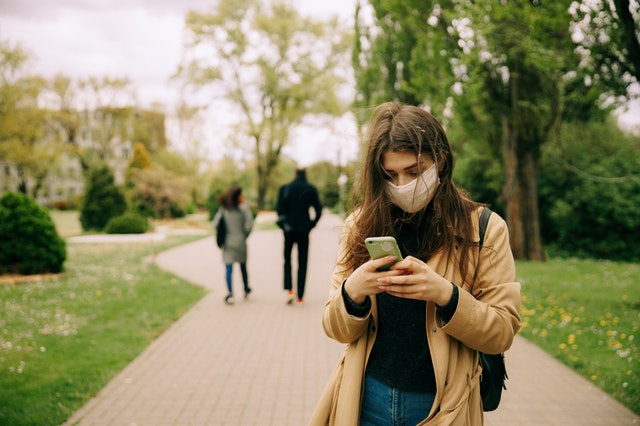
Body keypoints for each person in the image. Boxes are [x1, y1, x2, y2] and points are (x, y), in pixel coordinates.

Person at [309, 102, 521, 425]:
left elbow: (502, 330)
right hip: (367, 400)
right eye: (390, 175)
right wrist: (352, 292)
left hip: (442, 407)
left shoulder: (484, 229)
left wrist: (446, 295)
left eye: (415, 171)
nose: (403, 184)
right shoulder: (360, 226)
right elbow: (334, 327)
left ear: (441, 162)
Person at [276, 166, 323, 305]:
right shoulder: (310, 188)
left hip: (288, 230)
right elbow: (319, 210)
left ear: (295, 173)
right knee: (303, 262)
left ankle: (289, 290)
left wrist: (286, 225)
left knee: (287, 259)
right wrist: (311, 225)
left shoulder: (285, 188)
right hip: (304, 230)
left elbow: (279, 210)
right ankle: (301, 296)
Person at [211, 186, 254, 305]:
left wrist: (223, 233)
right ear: (239, 196)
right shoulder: (244, 209)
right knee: (243, 266)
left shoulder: (225, 209)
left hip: (228, 242)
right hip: (241, 241)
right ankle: (246, 288)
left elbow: (215, 222)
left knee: (228, 269)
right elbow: (249, 225)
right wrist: (244, 235)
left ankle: (230, 294)